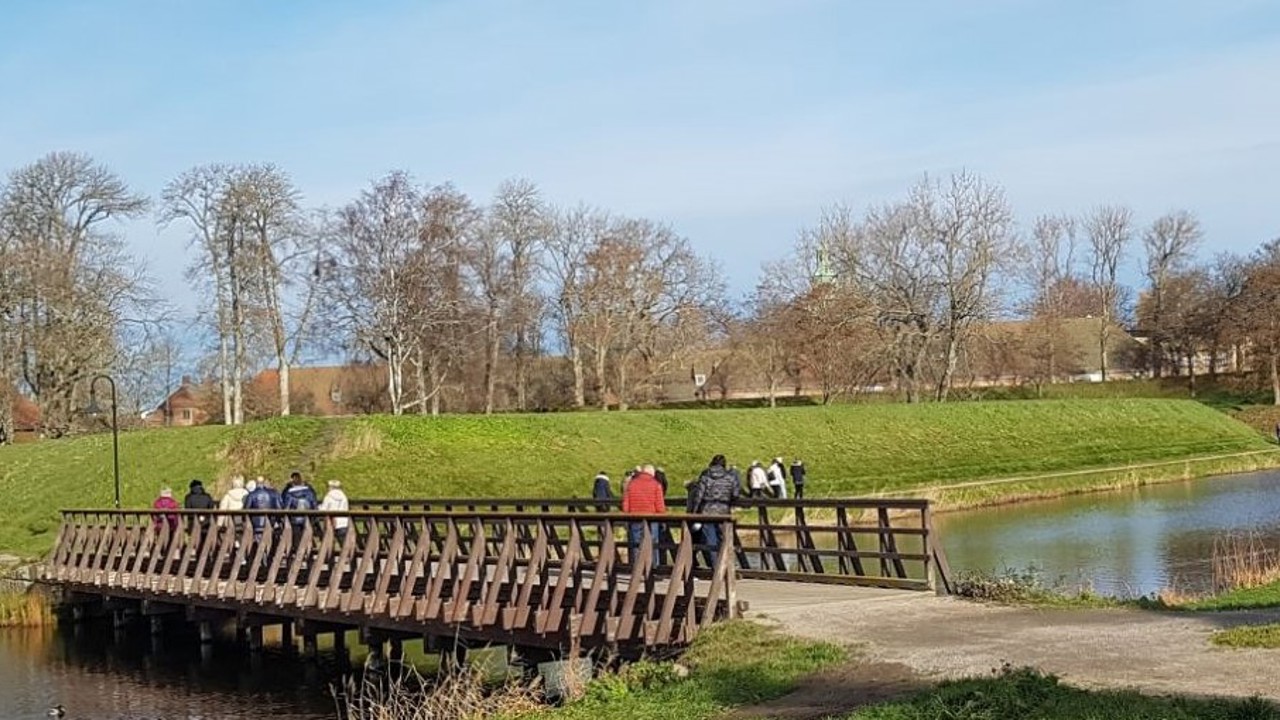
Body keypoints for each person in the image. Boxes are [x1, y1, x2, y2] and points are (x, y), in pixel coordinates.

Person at [692, 453, 740, 566]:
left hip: (707, 511)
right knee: (724, 539)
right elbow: (736, 494)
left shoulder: (705, 477)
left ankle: (715, 567)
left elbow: (699, 496)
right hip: (723, 511)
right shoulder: (730, 477)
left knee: (710, 541)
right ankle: (725, 566)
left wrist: (695, 513)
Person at [621, 464, 666, 568]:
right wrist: (662, 516)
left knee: (636, 543)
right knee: (653, 543)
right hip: (652, 518)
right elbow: (660, 505)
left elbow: (626, 503)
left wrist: (626, 515)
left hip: (635, 517)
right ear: (652, 473)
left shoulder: (631, 484)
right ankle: (653, 567)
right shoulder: (656, 485)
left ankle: (637, 567)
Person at [320, 479, 351, 544]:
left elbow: (323, 509)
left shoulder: (329, 496)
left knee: (328, 544)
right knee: (344, 543)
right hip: (343, 522)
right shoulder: (344, 496)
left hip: (332, 523)